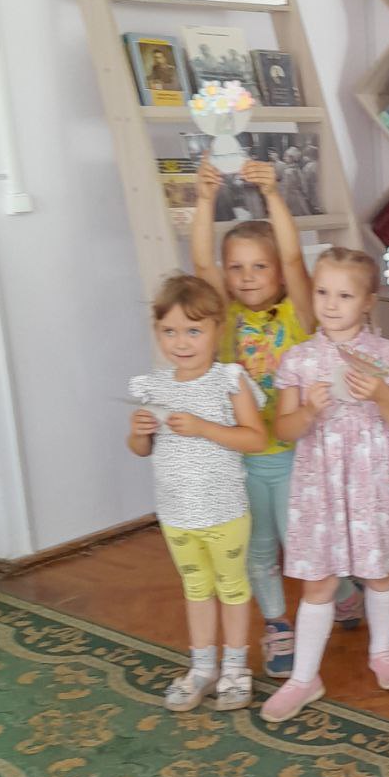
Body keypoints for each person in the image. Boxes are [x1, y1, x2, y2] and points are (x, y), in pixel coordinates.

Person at [190, 158, 361, 680]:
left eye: (258, 267)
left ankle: (343, 588)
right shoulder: (223, 318)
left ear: (280, 274)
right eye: (236, 268)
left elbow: (291, 253)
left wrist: (274, 196)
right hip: (242, 459)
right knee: (258, 549)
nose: (246, 277)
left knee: (305, 545)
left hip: (297, 458)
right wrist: (203, 200)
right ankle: (277, 624)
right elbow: (200, 264)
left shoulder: (298, 315)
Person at [261, 249, 389, 722]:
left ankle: (382, 650)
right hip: (319, 484)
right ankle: (304, 678)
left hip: (373, 479)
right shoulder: (299, 359)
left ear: (368, 301)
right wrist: (309, 410)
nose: (330, 304)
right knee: (319, 580)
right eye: (323, 292)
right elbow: (284, 430)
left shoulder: (386, 355)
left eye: (345, 295)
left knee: (379, 570)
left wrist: (382, 393)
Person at [128, 274, 266, 712]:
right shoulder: (153, 387)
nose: (181, 342)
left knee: (232, 587)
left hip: (224, 512)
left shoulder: (229, 381)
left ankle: (236, 669)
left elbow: (256, 439)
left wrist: (205, 427)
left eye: (193, 330)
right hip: (176, 515)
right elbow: (141, 449)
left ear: (216, 330)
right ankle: (203, 668)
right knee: (196, 588)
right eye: (169, 331)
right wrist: (138, 431)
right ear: (157, 332)